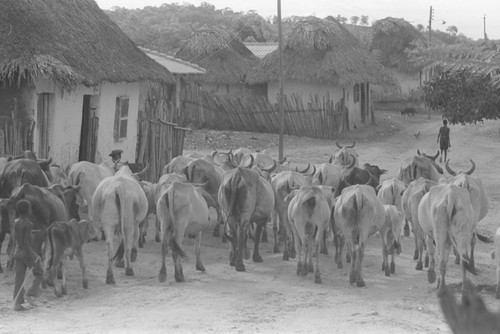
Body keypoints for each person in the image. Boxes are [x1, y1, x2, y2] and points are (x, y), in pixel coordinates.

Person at [12, 200, 42, 311]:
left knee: (19, 279)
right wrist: (33, 258)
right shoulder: (29, 224)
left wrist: (32, 233)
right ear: (27, 210)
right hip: (25, 253)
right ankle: (30, 293)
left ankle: (17, 303)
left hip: (17, 252)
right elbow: (25, 243)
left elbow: (18, 238)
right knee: (39, 272)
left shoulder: (16, 222)